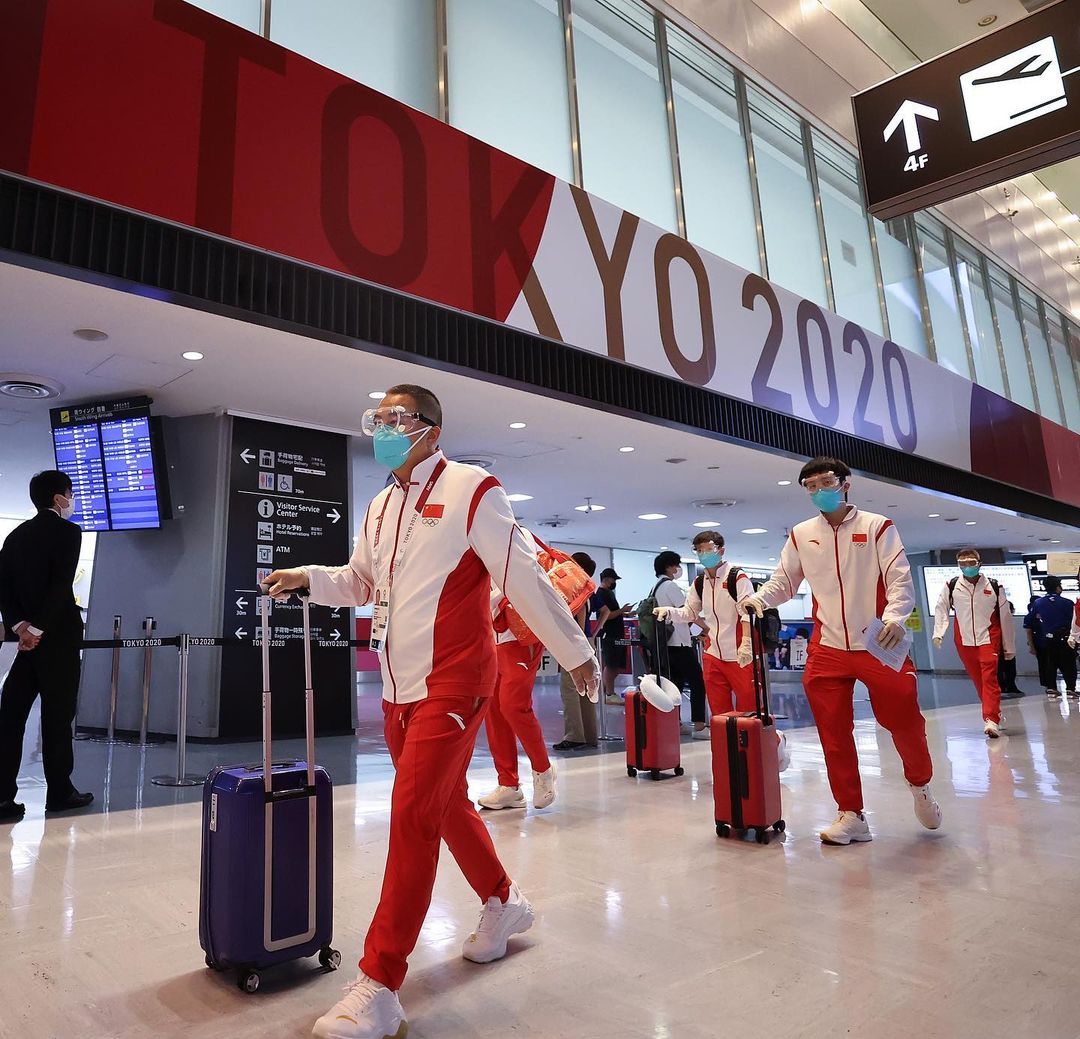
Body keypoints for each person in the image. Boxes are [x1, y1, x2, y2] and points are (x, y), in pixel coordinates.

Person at [265, 385, 599, 1039]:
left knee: (413, 815)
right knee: (443, 807)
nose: (384, 429)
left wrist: (575, 650)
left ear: (432, 430)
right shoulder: (381, 505)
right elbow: (362, 582)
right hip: (399, 686)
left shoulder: (473, 488)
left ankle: (380, 983)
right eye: (378, 419)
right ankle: (502, 900)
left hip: (455, 680)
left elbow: (522, 574)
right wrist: (309, 576)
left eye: (398, 419)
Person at [740, 456, 940, 845]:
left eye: (826, 482)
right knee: (833, 733)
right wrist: (759, 599)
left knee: (904, 720)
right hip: (828, 646)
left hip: (878, 642)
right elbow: (785, 582)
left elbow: (899, 579)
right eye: (810, 486)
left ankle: (920, 785)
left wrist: (895, 617)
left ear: (845, 484)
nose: (819, 491)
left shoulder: (877, 526)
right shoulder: (801, 534)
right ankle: (851, 813)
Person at [0, 471, 94, 822]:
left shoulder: (15, 536)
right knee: (57, 717)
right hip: (58, 639)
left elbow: (4, 587)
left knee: (11, 716)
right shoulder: (68, 532)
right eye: (70, 493)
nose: (71, 500)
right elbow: (60, 585)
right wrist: (38, 628)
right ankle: (60, 792)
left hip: (26, 643)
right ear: (58, 498)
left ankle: (2, 797)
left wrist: (20, 627)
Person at [654, 532, 789, 767]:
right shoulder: (699, 582)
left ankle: (771, 749)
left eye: (709, 549)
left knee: (750, 712)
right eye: (699, 551)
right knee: (720, 715)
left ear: (721, 550)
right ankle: (729, 762)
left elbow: (747, 610)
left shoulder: (737, 577)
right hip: (713, 654)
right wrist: (670, 612)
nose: (704, 554)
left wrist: (746, 643)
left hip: (741, 654)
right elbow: (690, 612)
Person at [477, 530, 558, 811]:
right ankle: (508, 784)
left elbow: (528, 579)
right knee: (494, 710)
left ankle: (543, 769)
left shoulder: (518, 535)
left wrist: (483, 601)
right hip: (491, 637)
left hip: (520, 635)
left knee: (513, 705)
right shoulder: (473, 537)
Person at [932, 549, 1015, 738]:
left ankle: (991, 719)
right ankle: (993, 712)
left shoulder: (994, 586)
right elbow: (941, 608)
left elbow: (1005, 617)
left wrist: (1009, 646)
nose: (967, 567)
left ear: (979, 563)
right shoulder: (952, 585)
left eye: (971, 562)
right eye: (962, 564)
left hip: (989, 638)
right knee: (979, 681)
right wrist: (938, 633)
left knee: (989, 679)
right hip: (964, 640)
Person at [650, 550, 708, 738]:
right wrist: (705, 628)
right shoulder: (670, 586)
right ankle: (699, 726)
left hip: (664, 643)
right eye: (676, 565)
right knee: (697, 682)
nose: (678, 569)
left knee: (675, 684)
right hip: (679, 643)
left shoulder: (655, 587)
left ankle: (675, 722)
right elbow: (688, 612)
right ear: (669, 567)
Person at [553, 552, 599, 751]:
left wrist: (573, 642)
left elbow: (578, 614)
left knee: (570, 689)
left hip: (575, 641)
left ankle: (574, 735)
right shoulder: (587, 588)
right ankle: (589, 735)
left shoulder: (574, 586)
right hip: (585, 640)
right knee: (587, 690)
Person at [590, 568, 634, 707]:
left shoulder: (609, 594)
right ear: (607, 579)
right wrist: (622, 611)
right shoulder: (601, 594)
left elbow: (613, 613)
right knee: (611, 664)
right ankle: (609, 693)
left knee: (616, 664)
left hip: (616, 633)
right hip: (609, 634)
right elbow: (607, 615)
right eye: (613, 579)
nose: (615, 582)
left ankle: (606, 691)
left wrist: (625, 614)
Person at [1029, 577, 1078, 699]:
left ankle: (1051, 688)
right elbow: (1074, 621)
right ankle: (1070, 688)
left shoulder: (1038, 603)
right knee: (1069, 664)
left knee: (1050, 664)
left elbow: (1032, 620)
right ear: (1058, 587)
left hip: (1048, 638)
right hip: (1065, 637)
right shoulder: (1068, 603)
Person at [997, 600, 1026, 700]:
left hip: (1008, 647)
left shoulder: (1008, 623)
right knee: (1000, 668)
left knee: (1010, 668)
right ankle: (1002, 687)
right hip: (1000, 647)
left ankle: (1010, 686)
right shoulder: (999, 623)